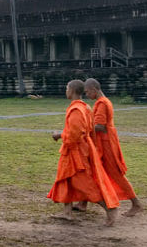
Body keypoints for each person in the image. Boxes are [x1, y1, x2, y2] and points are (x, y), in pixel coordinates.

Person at [47, 79, 119, 226]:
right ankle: (67, 213)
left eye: (67, 88)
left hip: (76, 152)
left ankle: (109, 208)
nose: (66, 90)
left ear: (72, 90)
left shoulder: (76, 110)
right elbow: (89, 130)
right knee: (65, 179)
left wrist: (59, 135)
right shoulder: (85, 107)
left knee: (84, 184)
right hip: (74, 150)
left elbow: (74, 134)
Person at [84, 78, 144, 217]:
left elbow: (100, 126)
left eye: (87, 92)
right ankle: (83, 202)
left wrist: (83, 128)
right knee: (93, 170)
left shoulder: (102, 103)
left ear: (94, 89)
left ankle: (136, 203)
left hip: (106, 143)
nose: (87, 95)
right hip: (104, 141)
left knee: (115, 173)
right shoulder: (104, 102)